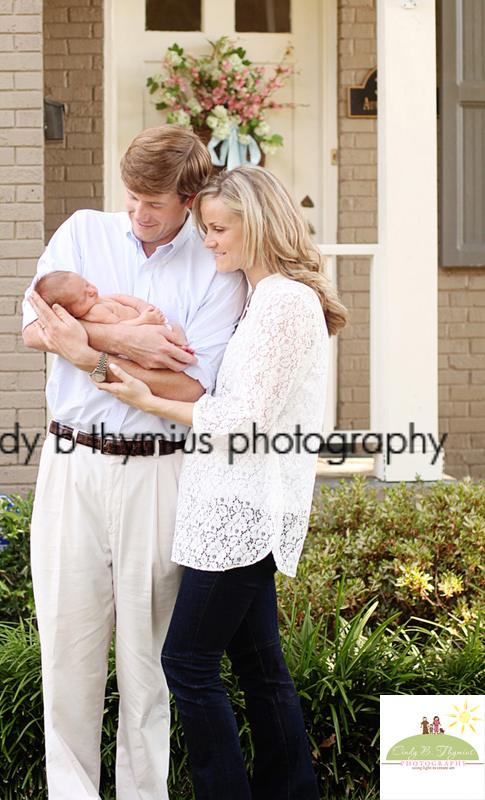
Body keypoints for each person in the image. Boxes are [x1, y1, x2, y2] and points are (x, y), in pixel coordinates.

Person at [92, 164, 348, 799]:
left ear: (255, 226)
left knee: (188, 662)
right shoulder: (262, 298)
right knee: (261, 670)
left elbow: (240, 419)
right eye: (205, 228)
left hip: (240, 513)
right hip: (234, 507)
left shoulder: (283, 301)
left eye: (217, 228)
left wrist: (145, 399)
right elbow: (233, 390)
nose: (207, 241)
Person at [22, 124, 247, 800]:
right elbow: (33, 328)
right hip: (71, 466)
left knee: (147, 664)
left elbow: (193, 387)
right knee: (67, 653)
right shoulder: (80, 234)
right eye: (131, 198)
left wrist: (84, 345)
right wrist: (121, 335)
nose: (138, 215)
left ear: (188, 198)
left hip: (160, 471)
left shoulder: (213, 266)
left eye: (154, 203)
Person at [34, 270, 194, 353]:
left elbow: (123, 298)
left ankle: (181, 344)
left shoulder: (98, 298)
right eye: (83, 297)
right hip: (140, 331)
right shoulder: (95, 313)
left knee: (175, 326)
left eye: (86, 284)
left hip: (146, 320)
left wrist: (143, 307)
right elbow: (120, 327)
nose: (91, 291)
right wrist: (144, 320)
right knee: (165, 332)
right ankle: (179, 347)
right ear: (71, 314)